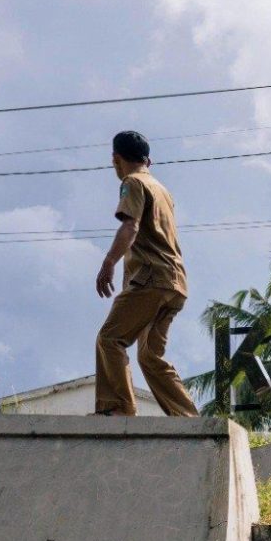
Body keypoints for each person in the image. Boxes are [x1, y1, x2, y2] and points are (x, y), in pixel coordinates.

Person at [93, 130, 198, 417]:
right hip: (175, 283)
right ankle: (188, 419)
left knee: (110, 339)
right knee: (150, 357)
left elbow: (131, 226)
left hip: (150, 280)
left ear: (116, 160)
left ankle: (118, 408)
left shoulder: (132, 182)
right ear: (148, 160)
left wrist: (109, 262)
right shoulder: (162, 189)